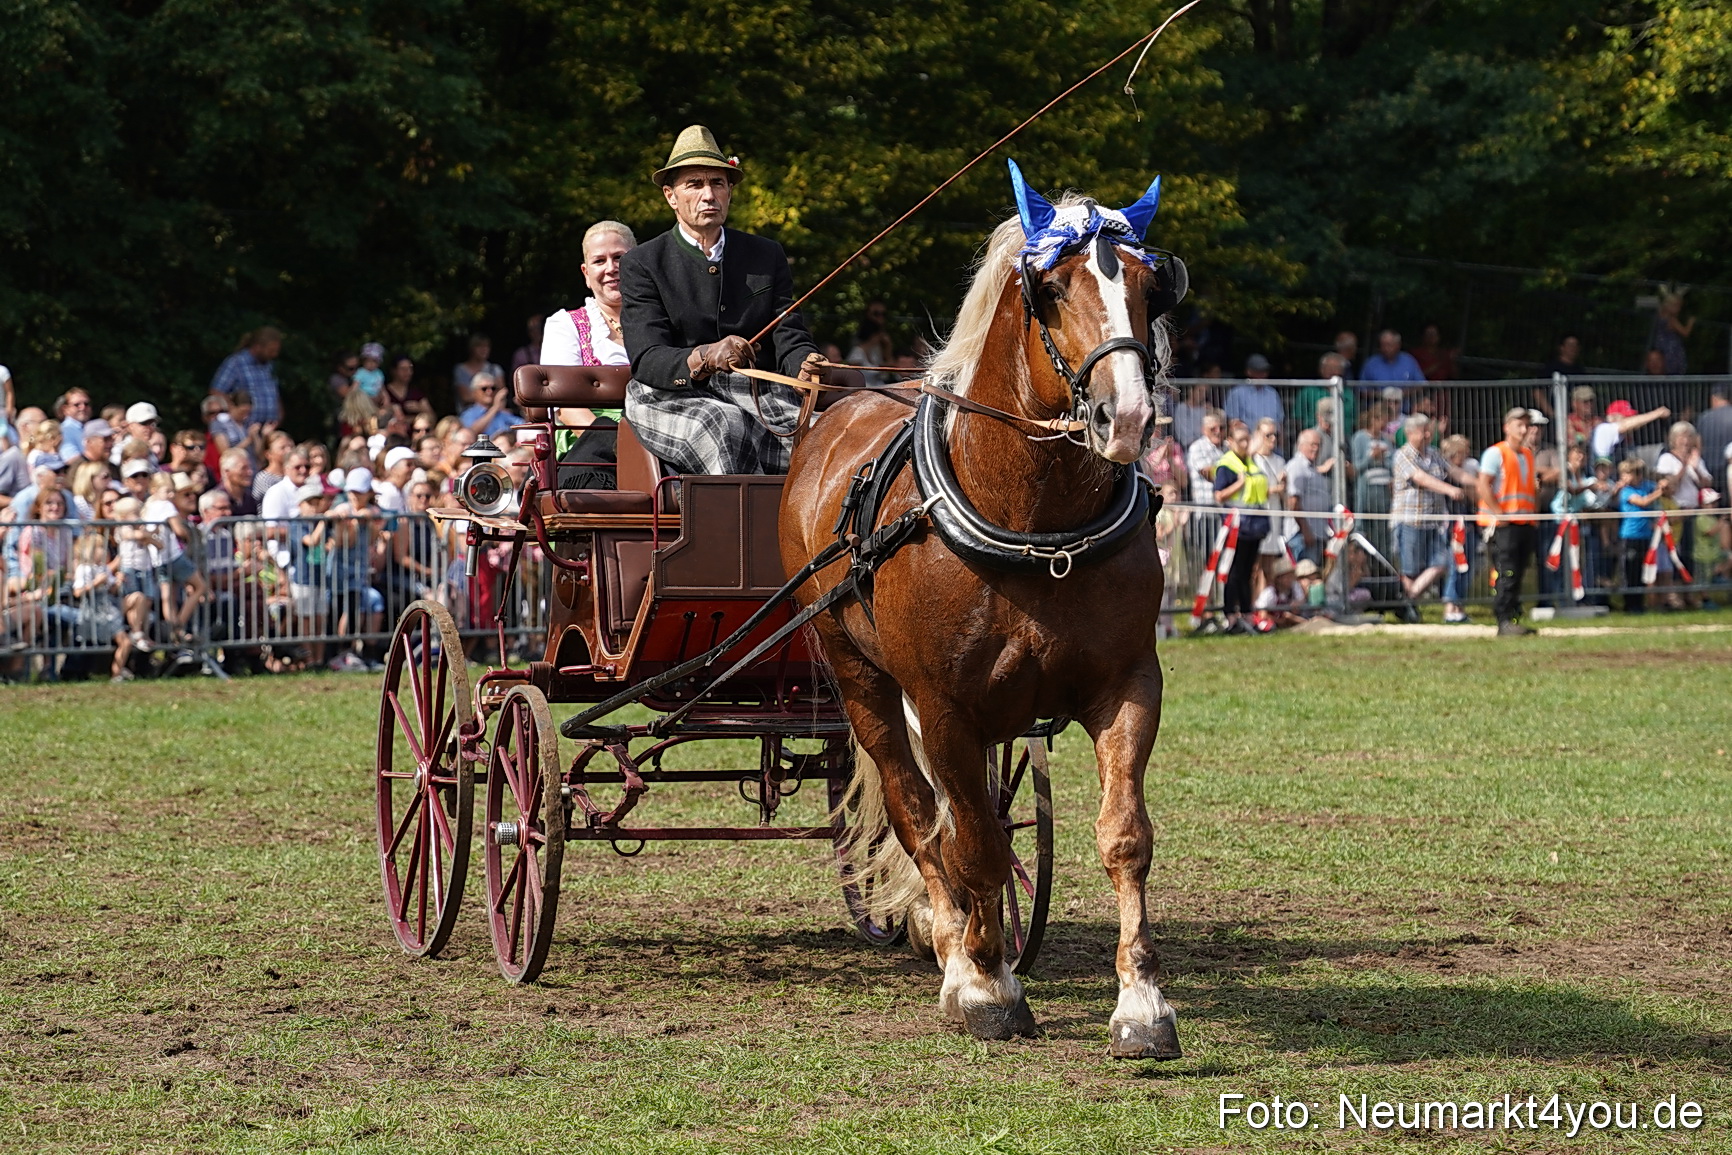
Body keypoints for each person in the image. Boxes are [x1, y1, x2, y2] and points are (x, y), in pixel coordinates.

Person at [619, 124, 823, 476]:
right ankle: (741, 531)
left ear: (730, 191)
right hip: (667, 397)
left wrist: (804, 361)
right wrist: (706, 356)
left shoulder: (766, 254)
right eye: (694, 184)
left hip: (755, 393)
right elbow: (647, 358)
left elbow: (788, 333)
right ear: (671, 196)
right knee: (723, 426)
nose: (708, 195)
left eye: (717, 183)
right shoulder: (642, 263)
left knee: (828, 437)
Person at [541, 219, 637, 486]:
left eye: (619, 257)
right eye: (599, 261)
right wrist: (626, 450)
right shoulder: (565, 325)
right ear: (585, 272)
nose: (611, 268)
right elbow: (569, 410)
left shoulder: (662, 322)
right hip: (591, 449)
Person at [1477, 407, 1540, 636]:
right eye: (1519, 425)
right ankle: (1503, 619)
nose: (1524, 430)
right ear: (1507, 427)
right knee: (1507, 572)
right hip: (1503, 524)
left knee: (1519, 572)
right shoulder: (1496, 453)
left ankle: (1513, 616)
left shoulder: (1528, 454)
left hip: (1524, 522)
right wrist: (1499, 513)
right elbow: (1483, 485)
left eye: (1526, 425)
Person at [1391, 414, 1465, 604]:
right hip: (1410, 521)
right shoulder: (1402, 455)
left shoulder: (1433, 453)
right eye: (1422, 431)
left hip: (1434, 522)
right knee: (1410, 570)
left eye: (1428, 430)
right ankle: (1409, 605)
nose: (1427, 434)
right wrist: (1450, 490)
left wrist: (1480, 483)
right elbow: (1420, 478)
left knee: (1443, 562)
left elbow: (1454, 472)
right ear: (1409, 433)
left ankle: (1408, 597)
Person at [1212, 422, 1270, 633]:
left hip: (1254, 527)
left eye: (1247, 439)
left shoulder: (1252, 462)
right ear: (1231, 442)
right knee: (1233, 572)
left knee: (1247, 573)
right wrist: (1239, 483)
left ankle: (1247, 614)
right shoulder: (1227, 464)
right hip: (1237, 528)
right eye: (1240, 440)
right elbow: (1219, 495)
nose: (1245, 444)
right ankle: (1231, 616)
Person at [1655, 421, 1712, 606]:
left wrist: (1694, 466)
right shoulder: (1667, 459)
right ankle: (1672, 595)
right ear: (1673, 439)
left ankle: (1689, 594)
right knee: (1675, 554)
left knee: (1690, 555)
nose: (1685, 441)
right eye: (1681, 437)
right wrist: (1683, 466)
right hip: (1675, 514)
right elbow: (1669, 485)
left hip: (1693, 512)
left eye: (1688, 436)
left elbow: (1706, 484)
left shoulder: (1697, 459)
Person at [1616, 459, 1669, 613]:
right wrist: (1660, 492)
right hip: (1630, 536)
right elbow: (1643, 502)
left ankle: (1640, 604)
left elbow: (1663, 488)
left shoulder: (1647, 485)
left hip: (1646, 537)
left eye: (1627, 473)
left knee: (1642, 572)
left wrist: (1664, 484)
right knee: (1630, 571)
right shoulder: (1626, 491)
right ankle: (1630, 605)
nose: (1624, 477)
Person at [210, 327, 284, 429]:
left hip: (268, 430)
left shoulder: (268, 366)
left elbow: (273, 392)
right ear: (258, 347)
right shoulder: (236, 363)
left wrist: (279, 414)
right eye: (271, 351)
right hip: (244, 429)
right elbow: (216, 391)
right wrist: (233, 410)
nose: (274, 355)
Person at [1285, 428, 1333, 565]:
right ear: (1301, 445)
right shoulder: (1297, 467)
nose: (1316, 448)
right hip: (1302, 536)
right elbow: (1293, 502)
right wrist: (1306, 531)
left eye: (1318, 445)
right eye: (1312, 444)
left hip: (1315, 534)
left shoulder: (1312, 469)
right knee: (1304, 578)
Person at [1590, 400, 1670, 464]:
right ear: (1612, 418)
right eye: (1627, 418)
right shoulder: (1604, 428)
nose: (1632, 422)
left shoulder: (1625, 440)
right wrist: (1658, 413)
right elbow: (1624, 426)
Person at [1225, 355, 1283, 430]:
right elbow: (1232, 421)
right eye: (1259, 371)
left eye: (1265, 371)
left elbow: (1280, 421)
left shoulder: (1273, 393)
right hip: (1247, 438)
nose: (1264, 374)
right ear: (1249, 372)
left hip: (1271, 437)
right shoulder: (1236, 393)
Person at [848, 300, 896, 386]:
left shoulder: (882, 344)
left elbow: (890, 366)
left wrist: (888, 346)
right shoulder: (858, 348)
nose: (880, 317)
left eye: (883, 314)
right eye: (876, 313)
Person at [1649, 287, 1694, 376]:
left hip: (1660, 346)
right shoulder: (1671, 320)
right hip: (1672, 349)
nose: (1679, 309)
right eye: (1677, 306)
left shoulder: (1660, 316)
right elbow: (1685, 333)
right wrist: (1691, 323)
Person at [459, 372, 517, 440]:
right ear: (474, 392)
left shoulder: (503, 413)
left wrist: (523, 407)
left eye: (493, 388)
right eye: (484, 388)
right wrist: (495, 408)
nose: (489, 392)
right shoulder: (468, 414)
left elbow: (523, 426)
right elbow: (471, 433)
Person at [453, 333, 505, 408]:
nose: (484, 349)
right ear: (471, 348)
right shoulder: (460, 370)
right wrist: (490, 398)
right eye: (479, 346)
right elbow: (465, 397)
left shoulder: (495, 369)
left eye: (486, 346)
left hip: (495, 412)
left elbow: (501, 393)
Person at [260, 451, 312, 521]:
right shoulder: (277, 492)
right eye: (297, 467)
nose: (303, 470)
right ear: (286, 470)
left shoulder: (313, 489)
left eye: (307, 467)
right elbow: (271, 528)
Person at [1360, 329, 1425, 384]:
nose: (1386, 348)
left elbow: (1421, 384)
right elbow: (1362, 388)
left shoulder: (1409, 361)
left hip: (1405, 398)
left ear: (1398, 345)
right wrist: (1381, 395)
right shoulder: (1371, 363)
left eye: (1389, 345)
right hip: (1378, 398)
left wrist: (1402, 394)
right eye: (1383, 345)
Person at [216, 448, 259, 517]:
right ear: (226, 472)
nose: (250, 472)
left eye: (249, 467)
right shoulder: (216, 501)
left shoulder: (250, 500)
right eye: (243, 468)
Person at [1170, 382, 1211, 450]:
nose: (1202, 395)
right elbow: (1184, 434)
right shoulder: (1182, 408)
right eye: (1200, 391)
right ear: (1191, 391)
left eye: (1205, 392)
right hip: (1189, 448)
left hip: (1206, 446)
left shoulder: (1205, 409)